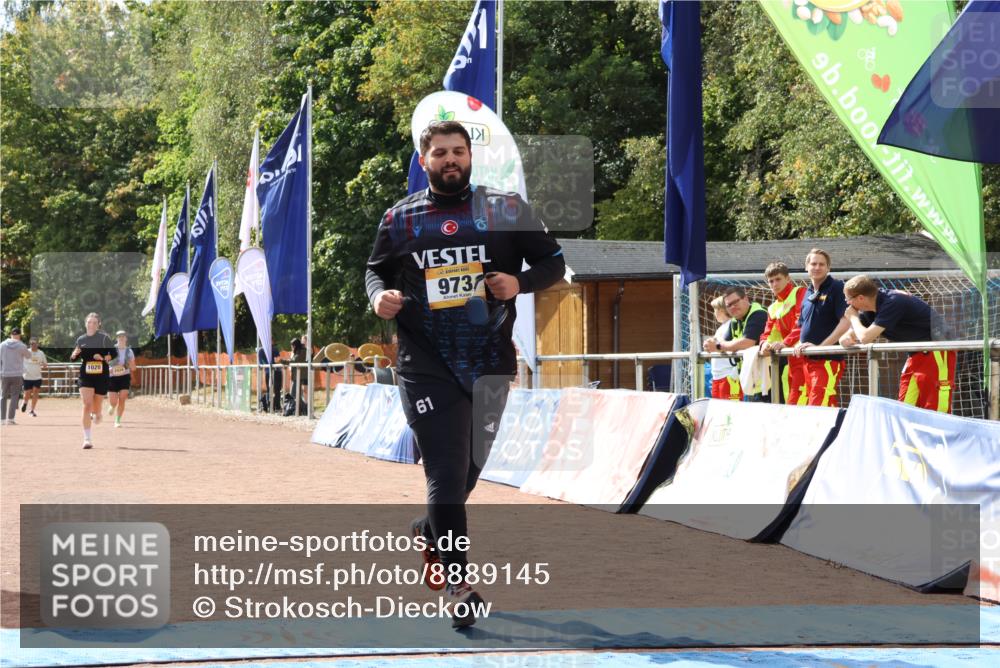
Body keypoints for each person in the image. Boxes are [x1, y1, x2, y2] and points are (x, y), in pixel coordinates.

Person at [366, 120, 565, 627]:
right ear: (424, 158)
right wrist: (378, 296)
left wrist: (516, 282)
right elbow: (376, 271)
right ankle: (458, 585)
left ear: (470, 156)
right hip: (424, 363)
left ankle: (431, 531)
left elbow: (554, 263)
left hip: (489, 361)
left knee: (469, 474)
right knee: (447, 472)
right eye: (439, 153)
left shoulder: (504, 209)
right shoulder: (401, 218)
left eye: (458, 151)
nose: (450, 159)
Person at [840, 275, 956, 413]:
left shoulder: (893, 302)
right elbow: (852, 334)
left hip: (936, 349)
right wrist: (846, 337)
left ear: (860, 298)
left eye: (848, 299)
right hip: (916, 354)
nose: (848, 304)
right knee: (905, 405)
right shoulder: (871, 309)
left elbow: (865, 337)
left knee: (935, 405)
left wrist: (853, 317)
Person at [792, 249, 850, 407]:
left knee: (818, 408)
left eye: (821, 264)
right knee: (824, 407)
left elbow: (846, 322)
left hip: (827, 361)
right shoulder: (808, 292)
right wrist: (798, 343)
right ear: (806, 267)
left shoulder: (837, 287)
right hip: (807, 361)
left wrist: (821, 347)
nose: (817, 267)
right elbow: (802, 325)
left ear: (828, 268)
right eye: (813, 264)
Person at [703, 286, 768, 400]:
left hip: (769, 378)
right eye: (729, 305)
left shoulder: (758, 314)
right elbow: (724, 342)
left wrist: (717, 346)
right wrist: (711, 343)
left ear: (746, 299)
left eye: (735, 302)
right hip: (753, 380)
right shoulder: (734, 320)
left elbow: (747, 342)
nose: (733, 307)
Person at [757, 262, 807, 405]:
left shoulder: (800, 292)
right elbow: (767, 333)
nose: (774, 284)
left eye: (778, 279)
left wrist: (785, 342)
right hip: (790, 360)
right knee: (790, 403)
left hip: (806, 358)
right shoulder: (773, 307)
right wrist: (764, 344)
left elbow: (801, 323)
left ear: (788, 278)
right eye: (771, 281)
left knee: (801, 403)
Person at [70, 312, 114, 449]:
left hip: (101, 376)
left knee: (97, 408)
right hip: (86, 375)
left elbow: (113, 354)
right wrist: (74, 355)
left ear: (98, 324)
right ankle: (87, 439)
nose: (92, 324)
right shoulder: (81, 339)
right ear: (85, 324)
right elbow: (74, 357)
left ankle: (98, 412)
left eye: (94, 322)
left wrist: (103, 357)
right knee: (87, 405)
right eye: (89, 322)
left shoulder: (104, 338)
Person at [706, 296, 742, 401]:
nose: (714, 313)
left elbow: (735, 346)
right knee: (719, 410)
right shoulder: (721, 328)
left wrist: (734, 373)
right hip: (717, 376)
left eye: (715, 310)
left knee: (730, 412)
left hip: (728, 376)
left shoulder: (733, 324)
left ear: (721, 310)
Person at [1, 327, 32, 426]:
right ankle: (10, 419)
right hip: (17, 374)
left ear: (11, 334)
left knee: (3, 396)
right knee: (14, 396)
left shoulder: (2, 345)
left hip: (5, 373)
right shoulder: (21, 345)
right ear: (19, 335)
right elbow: (29, 356)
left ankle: (2, 419)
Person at [106, 330, 136, 427]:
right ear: (117, 338)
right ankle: (112, 406)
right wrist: (109, 369)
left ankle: (117, 421)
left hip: (124, 377)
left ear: (126, 338)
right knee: (114, 401)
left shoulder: (129, 351)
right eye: (119, 336)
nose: (121, 338)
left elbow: (134, 367)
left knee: (122, 399)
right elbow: (104, 364)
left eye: (123, 336)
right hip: (112, 377)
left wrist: (130, 365)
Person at [21, 337, 48, 417]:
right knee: (27, 394)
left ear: (37, 344)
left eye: (34, 344)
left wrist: (43, 365)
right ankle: (25, 402)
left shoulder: (41, 353)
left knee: (36, 392)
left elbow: (45, 364)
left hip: (37, 377)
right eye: (31, 344)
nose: (33, 345)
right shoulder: (26, 352)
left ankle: (32, 410)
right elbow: (20, 362)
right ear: (30, 344)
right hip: (27, 377)